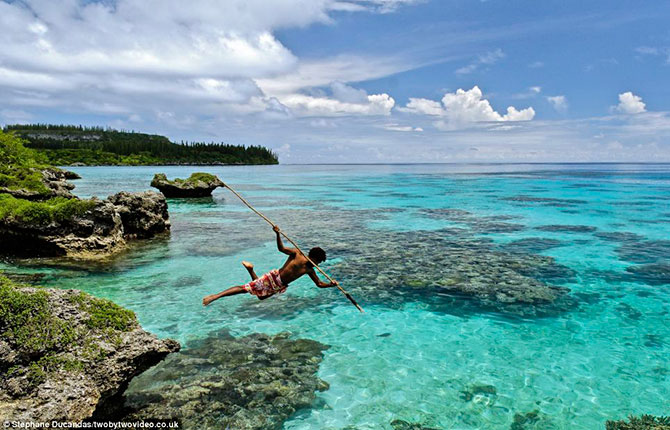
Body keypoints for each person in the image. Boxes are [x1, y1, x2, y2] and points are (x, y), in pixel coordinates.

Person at [203, 225, 337, 305]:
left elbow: (319, 284)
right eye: (318, 261)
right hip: (274, 278)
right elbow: (281, 249)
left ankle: (251, 269)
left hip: (280, 285)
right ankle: (215, 296)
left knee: (261, 297)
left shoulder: (309, 270)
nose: (318, 265)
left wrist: (330, 285)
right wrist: (277, 234)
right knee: (246, 288)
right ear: (313, 257)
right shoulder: (297, 254)